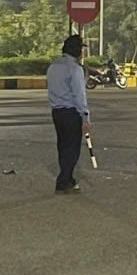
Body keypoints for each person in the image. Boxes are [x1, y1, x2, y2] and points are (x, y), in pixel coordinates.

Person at [47, 34, 92, 195]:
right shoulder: (75, 69)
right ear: (78, 51)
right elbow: (79, 96)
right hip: (71, 112)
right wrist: (85, 117)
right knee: (72, 149)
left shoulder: (53, 66)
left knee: (63, 146)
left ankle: (69, 177)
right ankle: (63, 182)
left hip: (57, 112)